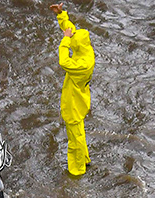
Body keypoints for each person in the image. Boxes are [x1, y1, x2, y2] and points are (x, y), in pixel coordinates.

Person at [49, 4, 94, 176]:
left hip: (73, 105)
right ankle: (85, 159)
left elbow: (63, 62)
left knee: (74, 139)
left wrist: (65, 41)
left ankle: (76, 170)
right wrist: (61, 14)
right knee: (80, 133)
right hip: (80, 102)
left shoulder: (82, 65)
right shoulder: (86, 50)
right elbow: (71, 30)